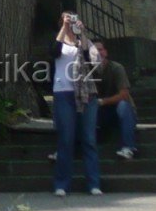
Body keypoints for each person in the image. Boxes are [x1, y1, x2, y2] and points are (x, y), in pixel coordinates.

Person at [51, 11, 101, 196]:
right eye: (66, 19)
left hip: (86, 94)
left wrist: (83, 34)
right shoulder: (59, 40)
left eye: (72, 19)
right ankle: (61, 184)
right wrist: (64, 28)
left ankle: (94, 183)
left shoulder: (83, 42)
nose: (70, 22)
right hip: (63, 92)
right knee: (66, 139)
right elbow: (53, 51)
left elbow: (93, 60)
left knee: (89, 139)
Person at [93, 40, 138, 159]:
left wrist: (102, 101)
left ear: (106, 52)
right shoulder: (89, 73)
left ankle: (128, 148)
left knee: (123, 105)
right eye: (93, 51)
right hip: (102, 113)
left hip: (121, 111)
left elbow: (124, 94)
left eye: (100, 50)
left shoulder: (117, 68)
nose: (97, 53)